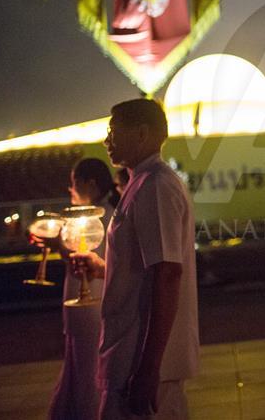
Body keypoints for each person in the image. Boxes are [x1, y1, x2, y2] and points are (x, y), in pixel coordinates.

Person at [72, 98, 198, 419]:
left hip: (139, 358)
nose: (106, 140)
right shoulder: (141, 182)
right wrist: (103, 268)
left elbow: (167, 274)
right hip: (131, 352)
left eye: (114, 132)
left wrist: (148, 367)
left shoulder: (155, 185)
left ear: (142, 134)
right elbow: (144, 268)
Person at [34, 158, 118, 420]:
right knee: (78, 364)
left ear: (90, 184)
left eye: (74, 183)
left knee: (87, 369)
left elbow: (88, 261)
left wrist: (59, 246)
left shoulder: (103, 218)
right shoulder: (91, 216)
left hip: (93, 304)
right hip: (83, 303)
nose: (70, 189)